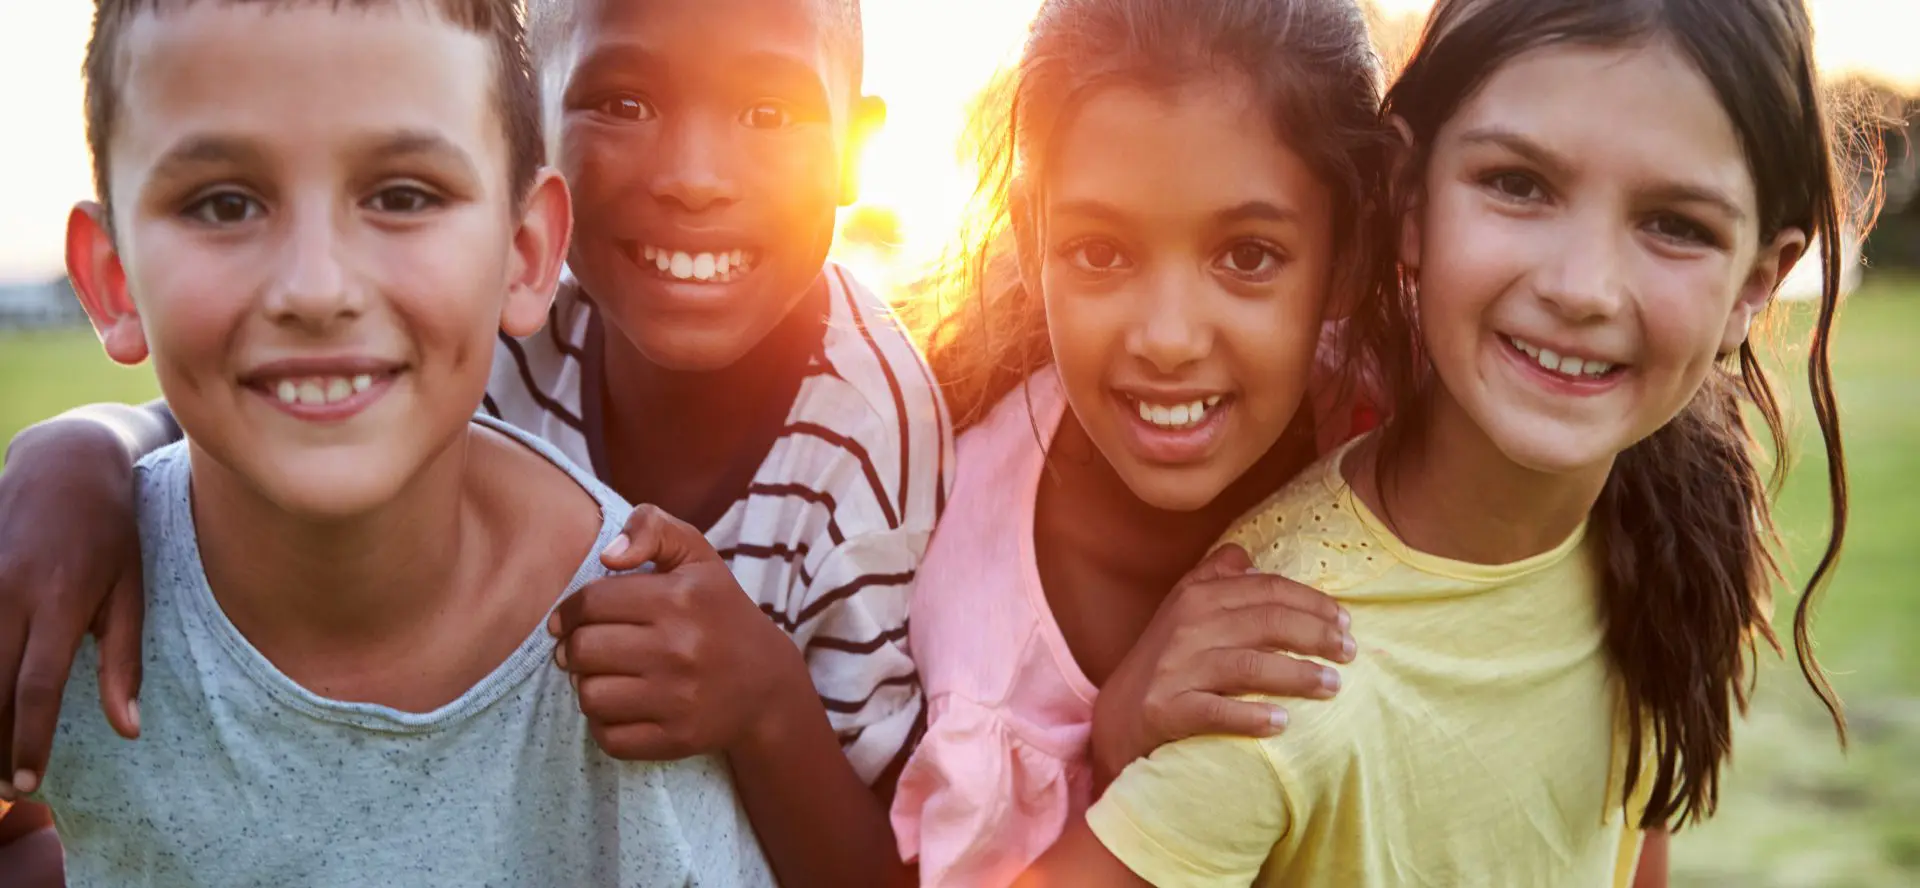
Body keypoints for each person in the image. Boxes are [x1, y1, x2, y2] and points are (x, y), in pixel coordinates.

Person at [0, 0, 947, 883]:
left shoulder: (872, 436)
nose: (695, 176)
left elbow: (890, 859)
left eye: (402, 195)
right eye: (223, 204)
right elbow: (294, 412)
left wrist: (766, 704)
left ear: (520, 244)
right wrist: (83, 451)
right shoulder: (508, 320)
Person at [1021, 0, 1872, 884]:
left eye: (1676, 225)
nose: (1582, 287)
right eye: (1518, 183)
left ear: (1756, 283)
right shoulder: (1283, 671)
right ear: (1408, 197)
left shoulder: (1662, 547)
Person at [888, 0, 1391, 884]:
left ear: (1345, 256)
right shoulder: (976, 631)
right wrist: (1117, 743)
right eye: (1100, 251)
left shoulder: (1400, 411)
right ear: (1031, 233)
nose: (1167, 338)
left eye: (1247, 255)